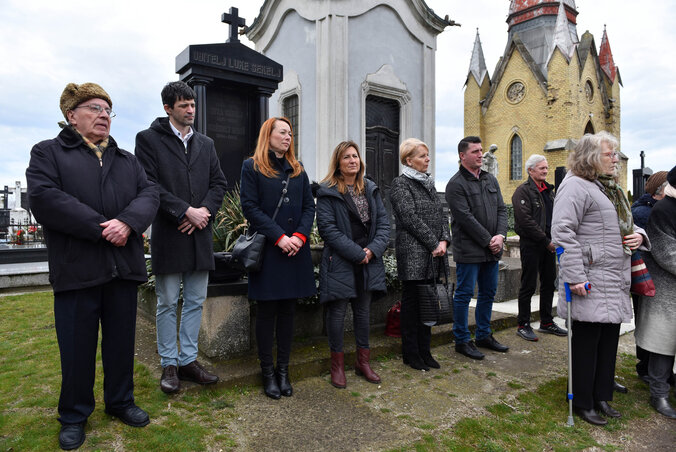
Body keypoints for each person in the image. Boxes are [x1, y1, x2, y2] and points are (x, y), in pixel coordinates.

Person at [26, 82, 159, 450]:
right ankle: (74, 414)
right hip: (77, 269)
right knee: (76, 348)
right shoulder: (48, 153)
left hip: (122, 268)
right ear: (72, 116)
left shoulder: (126, 159)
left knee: (120, 343)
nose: (103, 115)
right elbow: (45, 197)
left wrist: (129, 223)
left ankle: (120, 402)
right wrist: (104, 228)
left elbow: (149, 194)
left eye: (108, 110)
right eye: (94, 108)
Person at [552, 131, 649, 426]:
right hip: (591, 278)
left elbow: (625, 225)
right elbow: (562, 234)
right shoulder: (575, 186)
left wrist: (638, 236)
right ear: (591, 157)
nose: (616, 160)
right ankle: (583, 401)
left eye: (617, 154)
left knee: (608, 341)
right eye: (610, 154)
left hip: (613, 277)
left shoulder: (609, 189)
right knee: (587, 343)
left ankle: (601, 395)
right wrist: (575, 277)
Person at [135, 81, 227, 394]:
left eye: (192, 105)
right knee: (167, 301)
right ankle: (169, 364)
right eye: (184, 106)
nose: (190, 110)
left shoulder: (206, 143)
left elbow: (219, 184)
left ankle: (188, 360)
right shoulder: (148, 140)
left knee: (195, 301)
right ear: (168, 108)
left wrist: (203, 212)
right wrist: (185, 211)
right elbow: (148, 184)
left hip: (199, 234)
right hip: (170, 233)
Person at [240, 117, 316, 399]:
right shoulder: (252, 167)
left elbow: (309, 206)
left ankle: (284, 370)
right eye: (282, 132)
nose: (288, 137)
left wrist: (299, 236)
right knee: (267, 312)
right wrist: (280, 237)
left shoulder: (298, 170)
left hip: (295, 250)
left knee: (288, 312)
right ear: (268, 135)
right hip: (271, 250)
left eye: (290, 133)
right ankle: (267, 372)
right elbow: (250, 207)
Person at [316, 141, 390, 388]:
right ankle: (337, 366)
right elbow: (328, 230)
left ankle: (363, 362)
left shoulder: (370, 188)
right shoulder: (328, 191)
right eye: (346, 157)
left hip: (368, 261)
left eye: (355, 156)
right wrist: (358, 253)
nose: (352, 160)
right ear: (338, 162)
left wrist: (372, 250)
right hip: (341, 260)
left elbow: (383, 225)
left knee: (362, 313)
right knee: (337, 314)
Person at [445, 136, 509, 360]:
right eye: (475, 151)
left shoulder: (490, 180)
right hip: (470, 251)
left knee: (488, 293)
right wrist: (489, 240)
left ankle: (484, 334)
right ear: (462, 156)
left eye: (481, 150)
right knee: (463, 295)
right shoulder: (455, 184)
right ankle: (462, 340)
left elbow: (502, 209)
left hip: (492, 249)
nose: (480, 154)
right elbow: (465, 218)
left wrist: (501, 236)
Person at [390, 138, 450, 371]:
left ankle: (425, 350)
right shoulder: (400, 184)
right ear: (409, 160)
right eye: (422, 156)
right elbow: (409, 217)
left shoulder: (428, 183)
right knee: (413, 304)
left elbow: (441, 213)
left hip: (434, 253)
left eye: (428, 155)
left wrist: (444, 239)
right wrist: (434, 242)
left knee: (429, 304)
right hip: (414, 253)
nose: (427, 160)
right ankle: (411, 353)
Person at [633, 165, 676, 419]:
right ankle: (658, 393)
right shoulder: (663, 210)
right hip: (666, 292)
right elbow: (666, 252)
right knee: (662, 343)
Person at [512, 155, 567, 341]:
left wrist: (554, 240)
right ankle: (523, 324)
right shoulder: (523, 192)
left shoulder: (549, 192)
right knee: (528, 284)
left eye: (546, 168)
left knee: (548, 283)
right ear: (531, 170)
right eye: (541, 168)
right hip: (532, 245)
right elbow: (525, 221)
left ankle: (546, 322)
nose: (545, 171)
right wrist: (545, 241)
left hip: (548, 244)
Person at [630, 170, 668, 383]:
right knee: (646, 321)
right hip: (646, 275)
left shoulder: (651, 209)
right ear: (660, 191)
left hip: (652, 276)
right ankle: (645, 367)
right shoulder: (644, 212)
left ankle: (649, 366)